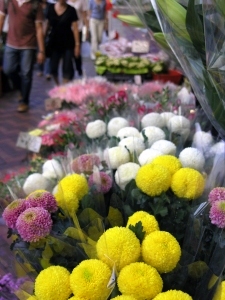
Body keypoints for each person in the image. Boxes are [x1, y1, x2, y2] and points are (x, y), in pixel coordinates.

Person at [0, 0, 45, 113]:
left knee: (26, 74)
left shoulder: (35, 5)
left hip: (28, 45)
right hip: (11, 43)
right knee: (8, 69)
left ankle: (24, 101)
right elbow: (1, 19)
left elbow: (39, 28)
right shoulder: (6, 1)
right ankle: (21, 88)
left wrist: (41, 51)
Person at [45, 0, 80, 85]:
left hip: (68, 42)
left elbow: (75, 28)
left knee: (67, 66)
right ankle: (57, 86)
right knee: (53, 67)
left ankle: (65, 88)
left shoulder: (71, 10)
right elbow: (46, 25)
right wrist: (42, 40)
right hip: (54, 42)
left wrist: (77, 45)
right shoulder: (50, 8)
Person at [68, 0, 89, 77]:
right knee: (69, 50)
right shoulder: (67, 1)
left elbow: (84, 16)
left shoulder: (81, 1)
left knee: (77, 50)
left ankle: (78, 67)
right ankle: (70, 69)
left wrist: (87, 29)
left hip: (79, 29)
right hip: (68, 29)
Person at [37, 0, 51, 80]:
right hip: (38, 31)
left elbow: (49, 19)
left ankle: (48, 72)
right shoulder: (36, 4)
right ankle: (40, 69)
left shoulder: (49, 6)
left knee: (47, 51)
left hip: (47, 31)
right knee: (39, 50)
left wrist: (45, 31)